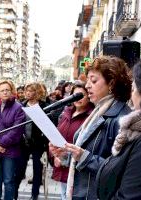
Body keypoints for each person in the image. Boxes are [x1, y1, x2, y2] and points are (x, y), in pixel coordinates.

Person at [50, 56, 132, 199]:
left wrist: (84, 157)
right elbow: (85, 155)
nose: (87, 85)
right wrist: (65, 155)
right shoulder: (99, 111)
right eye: (87, 80)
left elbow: (120, 171)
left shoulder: (121, 119)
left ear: (111, 83)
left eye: (93, 80)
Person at [96, 60, 141, 199]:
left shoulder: (140, 140)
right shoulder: (134, 129)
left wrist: (84, 158)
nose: (131, 94)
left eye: (134, 89)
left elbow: (131, 194)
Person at [51, 81, 94, 200]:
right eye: (75, 95)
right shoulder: (66, 112)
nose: (78, 99)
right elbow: (58, 136)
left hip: (78, 166)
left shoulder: (91, 116)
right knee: (64, 195)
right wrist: (56, 155)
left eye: (82, 95)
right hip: (62, 163)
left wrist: (65, 157)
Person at [0, 80, 26, 200]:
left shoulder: (18, 107)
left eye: (7, 89)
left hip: (10, 149)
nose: (5, 92)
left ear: (12, 91)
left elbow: (16, 129)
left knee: (8, 181)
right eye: (2, 90)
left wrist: (2, 143)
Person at [14, 82, 50, 200]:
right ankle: (14, 194)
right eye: (26, 90)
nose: (27, 93)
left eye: (31, 90)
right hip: (22, 143)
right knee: (19, 170)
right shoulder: (21, 106)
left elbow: (48, 126)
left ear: (37, 92)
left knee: (37, 170)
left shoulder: (45, 106)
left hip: (38, 144)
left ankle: (34, 195)